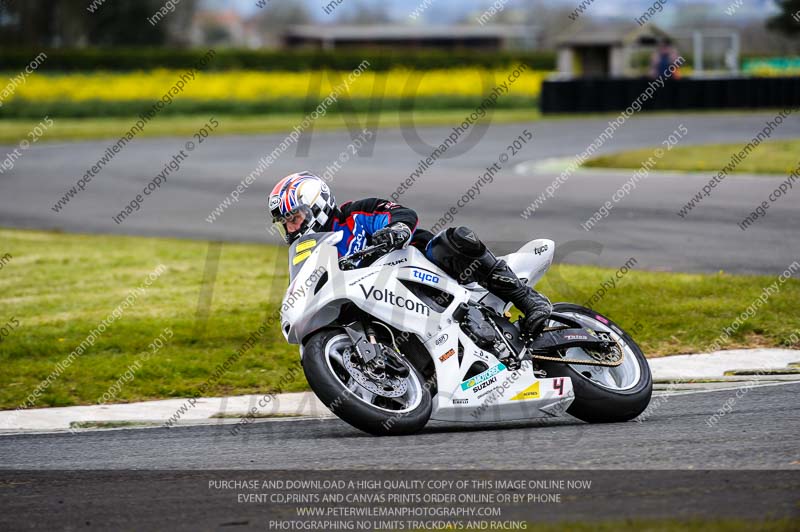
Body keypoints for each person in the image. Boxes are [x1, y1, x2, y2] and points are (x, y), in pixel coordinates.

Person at [268, 171, 551, 337]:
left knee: (453, 239)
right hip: (382, 301)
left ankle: (529, 300)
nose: (292, 227)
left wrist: (396, 230)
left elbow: (400, 213)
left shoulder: (354, 214)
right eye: (286, 223)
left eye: (294, 217)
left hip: (421, 270)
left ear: (317, 204)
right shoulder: (318, 255)